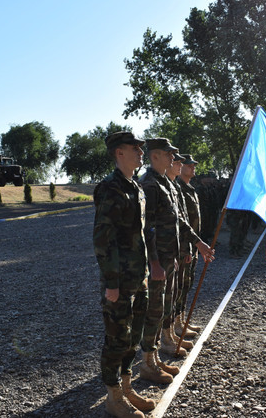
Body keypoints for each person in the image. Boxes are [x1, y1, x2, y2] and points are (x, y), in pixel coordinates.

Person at [138, 138, 215, 384]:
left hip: (171, 254)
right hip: (160, 258)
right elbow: (146, 227)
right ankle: (148, 362)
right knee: (155, 310)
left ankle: (156, 355)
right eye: (170, 154)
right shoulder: (149, 185)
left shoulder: (165, 184)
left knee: (165, 305)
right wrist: (154, 262)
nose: (175, 159)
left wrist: (197, 243)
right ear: (156, 156)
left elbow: (179, 221)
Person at [93, 131, 153, 418]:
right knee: (116, 338)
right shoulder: (110, 189)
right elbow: (103, 239)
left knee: (133, 336)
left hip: (138, 277)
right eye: (135, 148)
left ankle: (127, 387)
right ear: (119, 152)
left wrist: (150, 266)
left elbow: (141, 233)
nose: (141, 153)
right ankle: (113, 397)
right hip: (120, 280)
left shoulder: (136, 187)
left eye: (141, 149)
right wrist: (112, 283)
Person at [175, 154, 202, 338]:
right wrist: (186, 249)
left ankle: (182, 320)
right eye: (189, 165)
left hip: (193, 243)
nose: (193, 167)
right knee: (179, 287)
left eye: (193, 165)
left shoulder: (190, 188)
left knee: (186, 285)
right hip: (185, 246)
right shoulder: (178, 188)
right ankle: (175, 325)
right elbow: (180, 222)